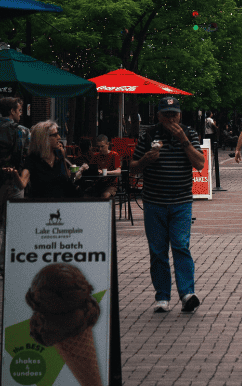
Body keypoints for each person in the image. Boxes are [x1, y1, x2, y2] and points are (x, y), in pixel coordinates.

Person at [131, 97, 205, 313]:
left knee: (181, 246)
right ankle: (162, 296)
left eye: (174, 114)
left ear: (180, 115)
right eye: (166, 115)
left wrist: (183, 141)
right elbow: (133, 168)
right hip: (154, 202)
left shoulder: (189, 133)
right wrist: (145, 159)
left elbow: (199, 163)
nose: (171, 118)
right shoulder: (149, 134)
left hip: (181, 202)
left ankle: (187, 294)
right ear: (158, 116)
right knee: (157, 250)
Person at [0, 96, 30, 276]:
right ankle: (5, 265)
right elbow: (27, 157)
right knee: (11, 225)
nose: (20, 114)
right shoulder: (23, 132)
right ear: (12, 111)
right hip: (14, 182)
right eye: (19, 110)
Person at [24, 120, 79, 202]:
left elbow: (66, 179)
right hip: (40, 206)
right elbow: (23, 182)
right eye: (55, 135)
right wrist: (14, 174)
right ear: (44, 138)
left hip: (61, 205)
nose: (59, 137)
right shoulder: (33, 159)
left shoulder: (59, 154)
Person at [80, 134, 121, 200]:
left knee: (104, 196)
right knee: (85, 195)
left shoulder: (114, 155)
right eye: (98, 147)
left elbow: (118, 171)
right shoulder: (96, 155)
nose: (100, 149)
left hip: (110, 185)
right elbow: (91, 168)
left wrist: (105, 172)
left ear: (108, 144)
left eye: (102, 146)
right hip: (97, 184)